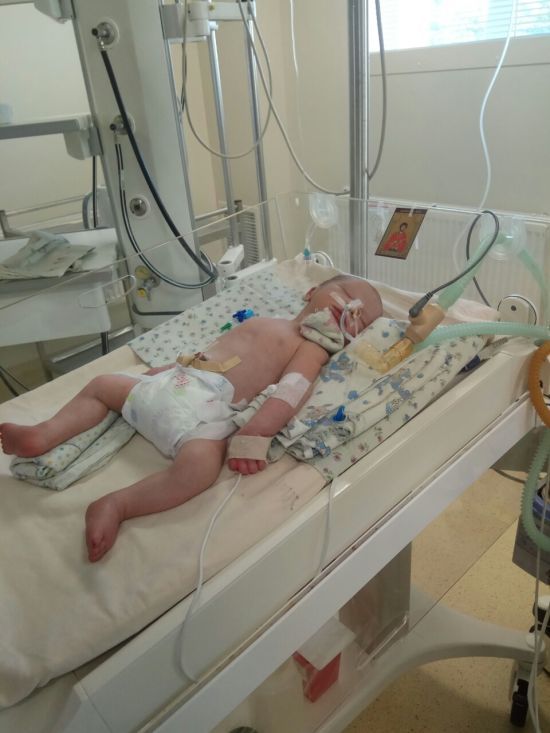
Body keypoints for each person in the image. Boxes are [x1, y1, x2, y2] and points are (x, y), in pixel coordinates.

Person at [1, 275, 382, 562]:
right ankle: (44, 434)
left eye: (360, 319)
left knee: (200, 467)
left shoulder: (311, 349)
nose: (351, 308)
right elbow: (210, 351)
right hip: (178, 381)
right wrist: (163, 371)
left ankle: (118, 505)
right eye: (345, 294)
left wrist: (253, 436)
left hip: (207, 411)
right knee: (102, 385)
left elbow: (290, 393)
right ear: (311, 291)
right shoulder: (265, 321)